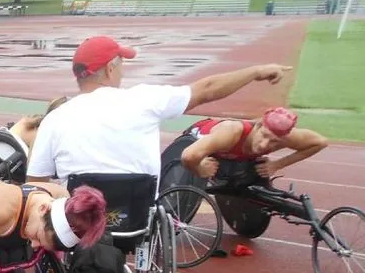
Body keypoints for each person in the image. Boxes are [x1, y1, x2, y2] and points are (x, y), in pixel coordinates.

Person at [26, 35, 292, 185]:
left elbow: (36, 181)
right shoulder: (145, 99)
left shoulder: (55, 119)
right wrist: (256, 72)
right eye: (121, 65)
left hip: (78, 221)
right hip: (137, 217)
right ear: (110, 68)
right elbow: (207, 89)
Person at [179, 107, 327, 183]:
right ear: (258, 126)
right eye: (264, 136)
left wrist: (277, 164)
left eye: (274, 141)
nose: (264, 145)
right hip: (196, 141)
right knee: (196, 161)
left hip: (231, 158)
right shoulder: (232, 131)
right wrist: (198, 167)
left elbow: (320, 142)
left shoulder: (285, 137)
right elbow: (189, 155)